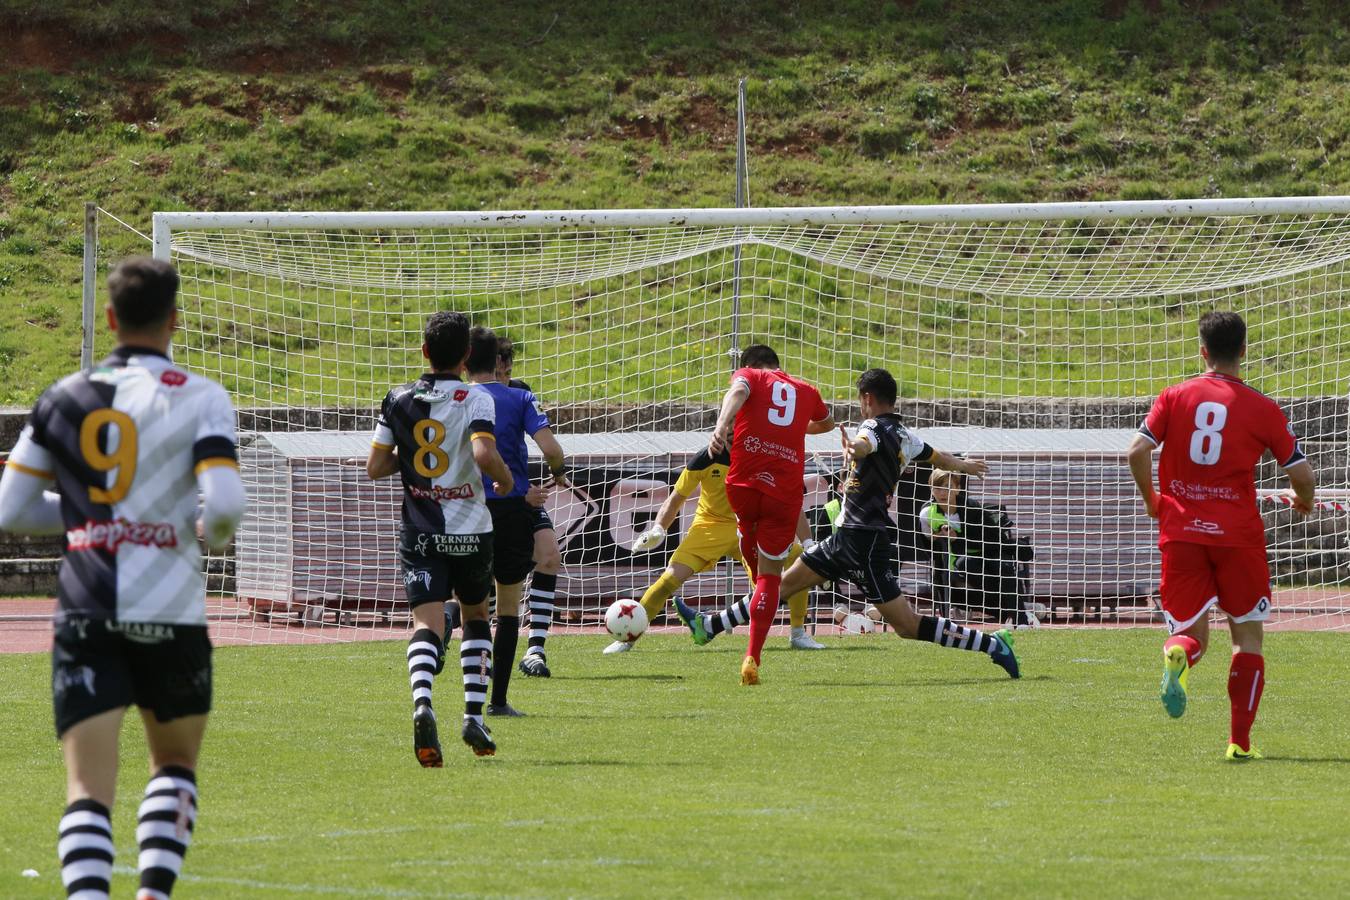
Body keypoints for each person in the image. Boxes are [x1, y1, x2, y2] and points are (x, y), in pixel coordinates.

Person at [0, 257, 246, 900]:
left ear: (110, 318)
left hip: (85, 605)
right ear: (174, 320)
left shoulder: (64, 396)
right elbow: (222, 504)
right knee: (171, 765)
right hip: (171, 607)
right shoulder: (200, 394)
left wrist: (90, 518)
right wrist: (201, 535)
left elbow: (10, 509)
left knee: (87, 789)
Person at [680, 368, 1021, 681]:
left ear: (868, 399)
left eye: (861, 400)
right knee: (781, 586)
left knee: (906, 624)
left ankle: (993, 645)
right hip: (851, 536)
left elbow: (864, 443)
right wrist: (963, 465)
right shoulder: (904, 434)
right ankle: (709, 626)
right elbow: (936, 457)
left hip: (863, 540)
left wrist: (853, 447)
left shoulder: (871, 427)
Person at [1127, 310, 1315, 760]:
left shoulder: (1175, 396)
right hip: (1238, 537)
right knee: (1246, 639)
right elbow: (1303, 474)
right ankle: (1239, 742)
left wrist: (1153, 500)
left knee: (1194, 636)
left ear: (1203, 351)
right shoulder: (1262, 407)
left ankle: (1178, 654)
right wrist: (1303, 499)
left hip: (1182, 530)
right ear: (1243, 351)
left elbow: (1136, 450)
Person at [367, 311, 514, 764]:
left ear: (425, 351)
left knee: (427, 626)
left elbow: (375, 466)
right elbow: (483, 452)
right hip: (471, 529)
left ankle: (423, 703)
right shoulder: (477, 397)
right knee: (475, 618)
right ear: (467, 356)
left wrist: (411, 461)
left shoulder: (397, 398)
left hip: (421, 530)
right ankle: (473, 714)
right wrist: (505, 480)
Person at [704, 344, 836, 685]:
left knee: (750, 547)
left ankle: (734, 606)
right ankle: (753, 657)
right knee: (769, 578)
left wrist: (722, 425)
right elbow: (828, 422)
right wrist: (793, 428)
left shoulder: (750, 376)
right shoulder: (806, 390)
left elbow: (737, 391)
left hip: (743, 485)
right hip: (783, 493)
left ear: (750, 365)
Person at [616, 448, 825, 654]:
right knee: (669, 579)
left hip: (751, 524)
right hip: (709, 527)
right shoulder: (705, 458)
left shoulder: (763, 454)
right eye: (728, 422)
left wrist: (808, 543)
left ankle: (798, 633)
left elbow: (789, 499)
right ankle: (628, 639)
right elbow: (677, 497)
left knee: (796, 560)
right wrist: (658, 529)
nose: (732, 430)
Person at [464, 327, 568, 715]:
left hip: (464, 509)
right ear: (498, 362)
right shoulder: (519, 397)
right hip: (510, 507)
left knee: (472, 607)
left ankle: (466, 690)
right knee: (507, 608)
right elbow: (551, 449)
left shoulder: (453, 399)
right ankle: (499, 702)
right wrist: (558, 471)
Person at [496, 337, 564, 678]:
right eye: (498, 371)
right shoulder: (465, 401)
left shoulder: (520, 394)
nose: (505, 378)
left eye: (508, 371)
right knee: (484, 581)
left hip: (518, 498)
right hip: (486, 500)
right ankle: (479, 652)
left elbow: (547, 445)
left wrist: (528, 489)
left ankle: (535, 649)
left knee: (550, 555)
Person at [919, 470, 1037, 626]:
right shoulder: (927, 513)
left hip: (989, 551)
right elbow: (928, 541)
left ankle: (1021, 619)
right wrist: (941, 535)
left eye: (948, 487)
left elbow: (991, 537)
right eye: (937, 488)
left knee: (1002, 568)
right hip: (959, 559)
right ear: (930, 489)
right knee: (965, 564)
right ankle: (1010, 612)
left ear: (957, 488)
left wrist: (958, 538)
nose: (942, 493)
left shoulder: (971, 506)